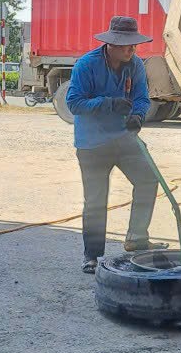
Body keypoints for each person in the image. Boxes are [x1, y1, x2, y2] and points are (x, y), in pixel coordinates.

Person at [65, 15, 166, 274]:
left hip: (123, 137)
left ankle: (136, 238)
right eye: (126, 46)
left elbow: (142, 98)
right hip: (92, 143)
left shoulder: (136, 65)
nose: (131, 50)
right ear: (111, 44)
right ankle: (91, 255)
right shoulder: (87, 65)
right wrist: (107, 103)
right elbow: (74, 103)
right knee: (96, 199)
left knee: (148, 180)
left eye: (134, 45)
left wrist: (138, 116)